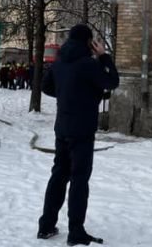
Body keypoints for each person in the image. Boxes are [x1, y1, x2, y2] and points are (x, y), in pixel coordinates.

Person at [38, 24, 119, 245]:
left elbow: (46, 87)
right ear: (88, 42)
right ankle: (76, 231)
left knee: (58, 175)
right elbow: (112, 81)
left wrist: (67, 94)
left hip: (62, 128)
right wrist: (103, 57)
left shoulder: (60, 61)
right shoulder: (88, 64)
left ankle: (45, 225)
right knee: (79, 179)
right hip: (82, 130)